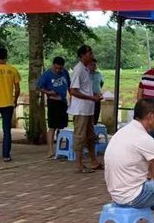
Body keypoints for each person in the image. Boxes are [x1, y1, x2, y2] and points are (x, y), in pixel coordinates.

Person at [69, 44, 103, 174]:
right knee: (80, 136)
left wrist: (94, 96)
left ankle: (93, 161)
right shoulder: (78, 70)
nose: (92, 56)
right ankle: (78, 164)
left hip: (88, 108)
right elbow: (73, 91)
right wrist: (90, 98)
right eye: (89, 53)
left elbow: (85, 89)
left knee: (90, 136)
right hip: (81, 109)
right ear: (83, 55)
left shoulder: (87, 70)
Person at [38, 56, 71, 158]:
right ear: (53, 65)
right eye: (56, 68)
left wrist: (71, 98)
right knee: (52, 126)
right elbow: (38, 87)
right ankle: (50, 150)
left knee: (61, 127)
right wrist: (48, 92)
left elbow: (69, 86)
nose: (58, 70)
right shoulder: (47, 75)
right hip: (53, 102)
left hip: (63, 101)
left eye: (60, 68)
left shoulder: (65, 73)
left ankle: (59, 149)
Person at [90, 60, 105, 125]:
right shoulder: (86, 74)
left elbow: (101, 83)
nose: (94, 66)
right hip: (89, 98)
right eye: (92, 64)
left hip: (98, 98)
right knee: (89, 117)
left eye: (95, 65)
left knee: (96, 115)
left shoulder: (98, 74)